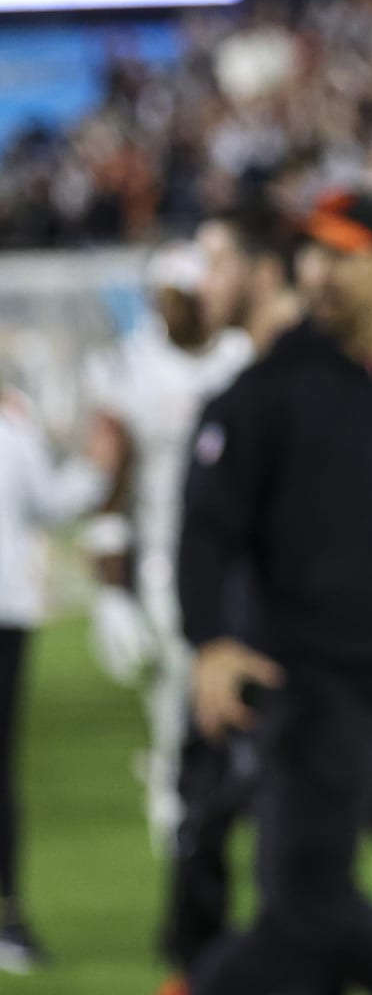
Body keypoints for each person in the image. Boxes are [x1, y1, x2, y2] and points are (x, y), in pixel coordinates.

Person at [178, 189, 372, 995]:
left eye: (341, 255)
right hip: (313, 693)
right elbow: (206, 529)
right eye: (310, 254)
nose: (318, 273)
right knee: (309, 913)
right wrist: (209, 641)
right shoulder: (267, 390)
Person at [154, 203, 304, 995]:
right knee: (210, 824)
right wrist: (209, 638)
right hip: (237, 642)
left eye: (215, 262)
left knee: (301, 852)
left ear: (263, 269)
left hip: (302, 653)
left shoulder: (321, 380)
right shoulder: (236, 385)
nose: (200, 282)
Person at [82, 241, 254, 850]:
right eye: (179, 293)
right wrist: (111, 587)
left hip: (242, 548)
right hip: (166, 550)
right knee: (179, 681)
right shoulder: (130, 368)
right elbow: (111, 482)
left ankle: (238, 791)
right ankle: (178, 799)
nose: (190, 304)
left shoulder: (240, 357)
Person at [0, 387, 115, 973]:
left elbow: (49, 502)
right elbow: (52, 501)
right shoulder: (13, 430)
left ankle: (8, 919)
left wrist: (96, 469)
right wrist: (96, 467)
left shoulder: (14, 429)